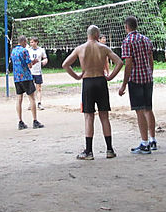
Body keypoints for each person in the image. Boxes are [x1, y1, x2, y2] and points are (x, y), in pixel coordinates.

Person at [62, 25, 124, 160]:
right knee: (104, 116)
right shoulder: (104, 48)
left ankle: (89, 151)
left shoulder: (80, 49)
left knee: (89, 117)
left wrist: (77, 76)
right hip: (101, 82)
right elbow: (119, 62)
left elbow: (65, 64)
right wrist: (110, 77)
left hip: (88, 82)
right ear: (97, 35)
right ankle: (109, 149)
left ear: (88, 35)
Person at [118, 15, 157, 154]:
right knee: (148, 109)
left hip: (135, 79)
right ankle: (153, 140)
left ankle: (145, 143)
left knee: (139, 111)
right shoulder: (146, 39)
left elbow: (128, 64)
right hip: (147, 78)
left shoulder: (127, 41)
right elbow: (151, 60)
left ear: (126, 27)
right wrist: (150, 73)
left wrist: (123, 84)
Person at [11, 35, 43, 130]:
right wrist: (34, 62)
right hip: (25, 77)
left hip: (17, 78)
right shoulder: (24, 51)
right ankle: (35, 121)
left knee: (19, 99)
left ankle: (20, 121)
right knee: (32, 98)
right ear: (24, 42)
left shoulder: (13, 51)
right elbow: (29, 65)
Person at [28, 38, 49, 109]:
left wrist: (44, 61)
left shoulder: (41, 50)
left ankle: (39, 103)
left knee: (39, 88)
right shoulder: (28, 50)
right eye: (30, 42)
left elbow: (45, 58)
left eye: (32, 42)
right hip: (30, 72)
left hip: (38, 72)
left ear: (36, 42)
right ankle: (31, 103)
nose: (31, 44)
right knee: (31, 89)